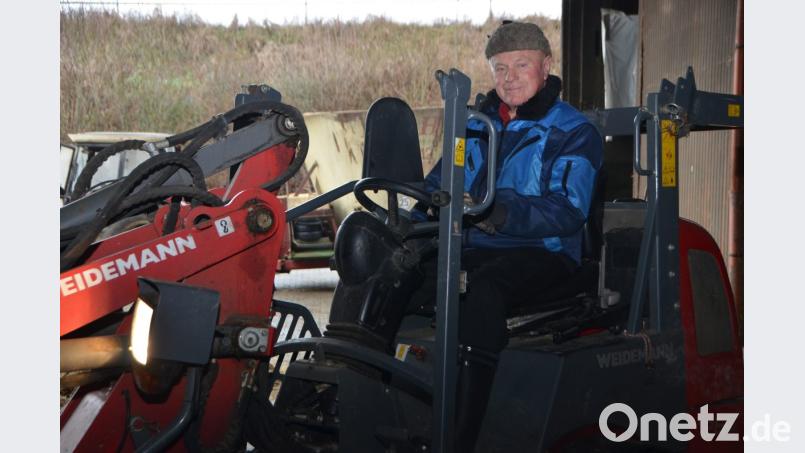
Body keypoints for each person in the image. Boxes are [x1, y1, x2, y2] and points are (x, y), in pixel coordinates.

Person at [412, 21, 603, 451]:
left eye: (521, 65)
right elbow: (437, 185)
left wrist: (499, 210)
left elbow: (568, 211)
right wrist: (412, 223)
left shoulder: (574, 131)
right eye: (500, 68)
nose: (509, 77)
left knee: (482, 291)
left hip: (544, 251)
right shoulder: (474, 126)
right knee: (396, 275)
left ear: (546, 66)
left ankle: (460, 435)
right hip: (473, 244)